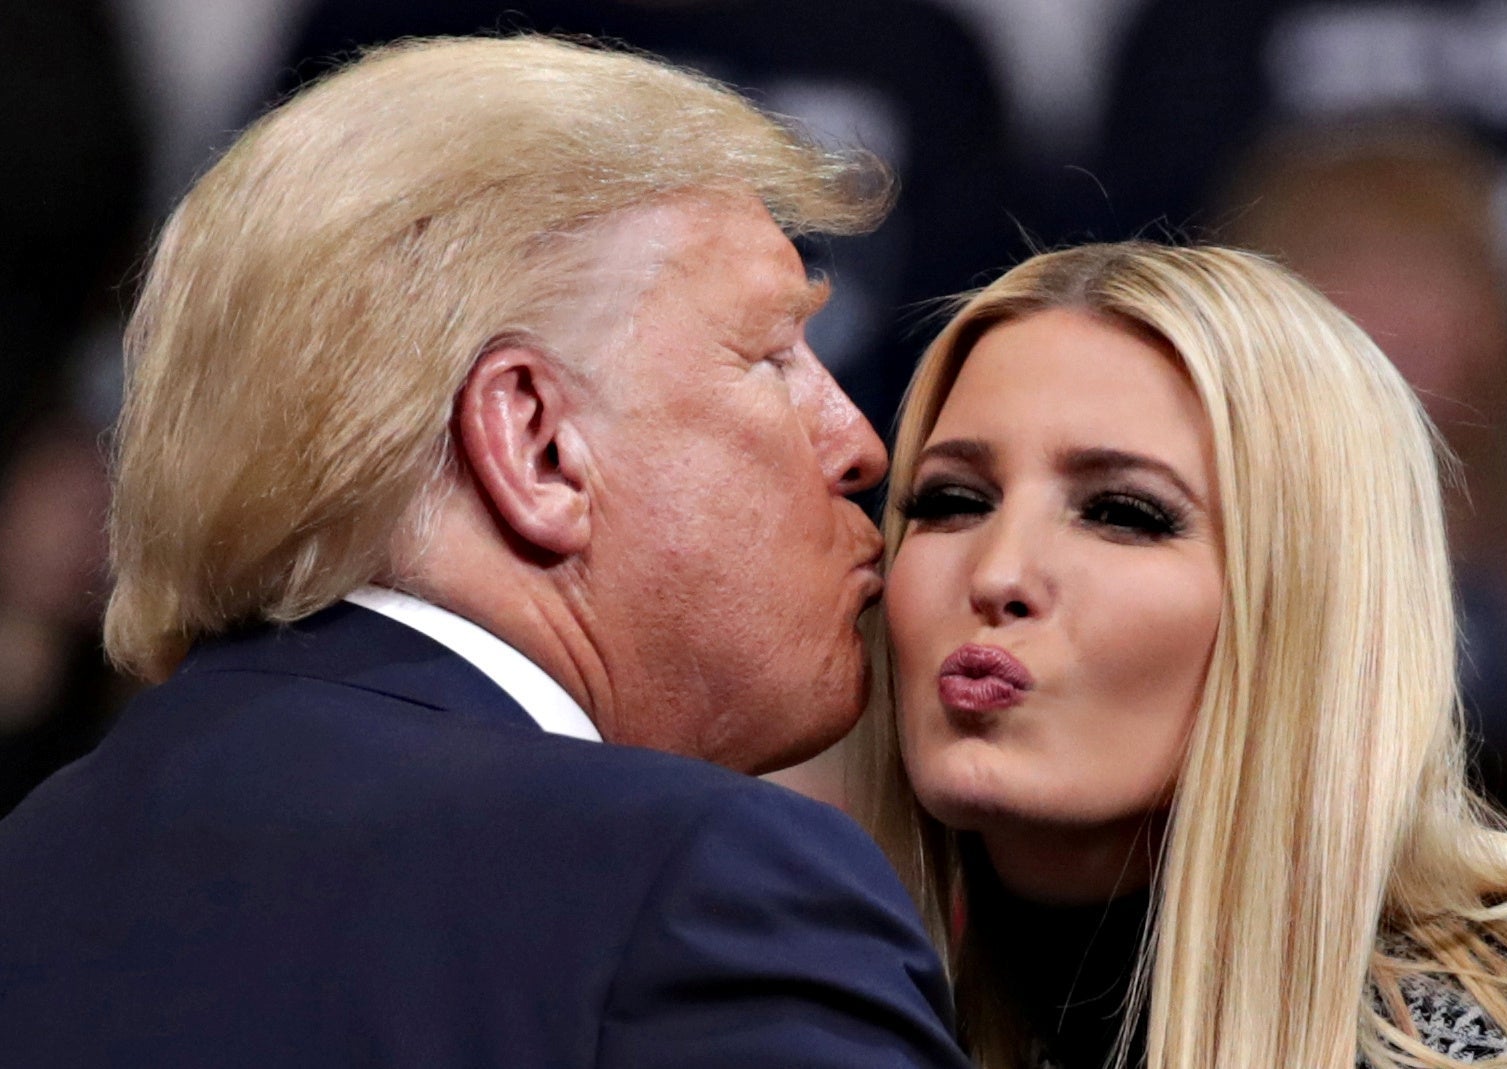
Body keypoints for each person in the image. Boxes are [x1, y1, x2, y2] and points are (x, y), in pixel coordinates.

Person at [0, 35, 970, 1069]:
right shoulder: (697, 882)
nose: (861, 443)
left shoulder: (29, 863)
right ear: (536, 442)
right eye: (773, 357)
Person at [850, 241, 1507, 1068]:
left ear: (1308, 597)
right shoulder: (824, 1021)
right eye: (951, 501)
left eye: (1123, 512)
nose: (996, 573)